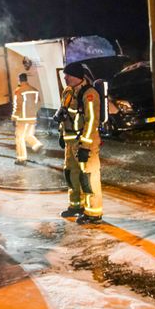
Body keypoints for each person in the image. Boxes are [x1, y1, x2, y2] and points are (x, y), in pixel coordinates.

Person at [57, 62, 103, 224]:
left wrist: (85, 145)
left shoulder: (89, 94)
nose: (65, 77)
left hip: (84, 143)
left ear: (76, 76)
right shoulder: (68, 92)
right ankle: (76, 206)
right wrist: (62, 134)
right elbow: (65, 114)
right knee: (71, 175)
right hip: (70, 142)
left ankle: (93, 213)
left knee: (88, 178)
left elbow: (92, 122)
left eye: (68, 75)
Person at [11, 73, 43, 165]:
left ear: (19, 80)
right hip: (32, 118)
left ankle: (21, 159)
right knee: (28, 135)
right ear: (26, 79)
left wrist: (14, 118)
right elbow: (38, 104)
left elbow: (17, 106)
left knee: (19, 138)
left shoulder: (19, 91)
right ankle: (38, 146)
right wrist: (32, 113)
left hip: (22, 119)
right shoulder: (34, 90)